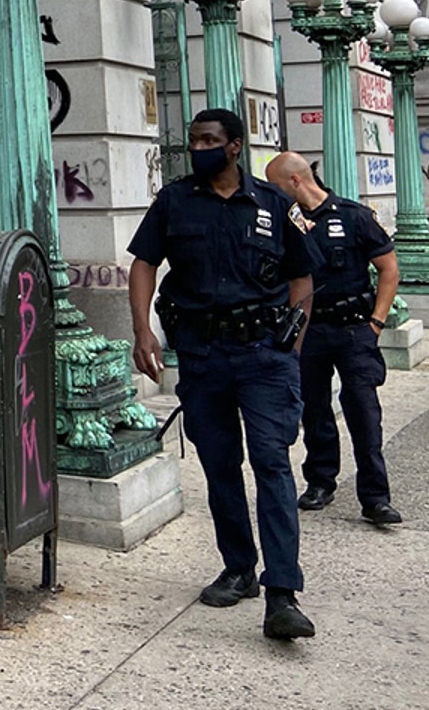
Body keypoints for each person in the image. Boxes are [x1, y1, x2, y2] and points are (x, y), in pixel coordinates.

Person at [128, 109, 322, 641]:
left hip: (263, 356)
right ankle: (239, 569)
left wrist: (291, 346)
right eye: (194, 140)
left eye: (209, 140)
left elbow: (302, 278)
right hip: (202, 354)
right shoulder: (174, 201)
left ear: (235, 146)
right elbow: (144, 264)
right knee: (219, 466)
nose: (199, 148)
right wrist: (143, 330)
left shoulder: (274, 204)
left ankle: (282, 592)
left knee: (271, 463)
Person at [265, 153, 403, 525]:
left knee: (363, 412)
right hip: (309, 330)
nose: (272, 194)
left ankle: (375, 497)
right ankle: (320, 482)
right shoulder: (286, 222)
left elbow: (389, 269)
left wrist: (376, 323)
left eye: (275, 186)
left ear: (295, 181)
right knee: (314, 410)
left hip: (354, 328)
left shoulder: (354, 216)